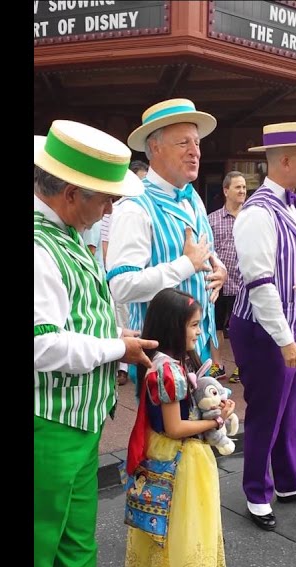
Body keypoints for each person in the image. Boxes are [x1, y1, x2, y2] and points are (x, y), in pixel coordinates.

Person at [34, 120, 157, 567]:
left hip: (76, 414)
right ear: (70, 193)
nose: (110, 208)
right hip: (47, 417)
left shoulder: (67, 238)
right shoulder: (39, 246)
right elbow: (41, 343)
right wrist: (119, 348)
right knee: (39, 529)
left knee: (76, 525)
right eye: (105, 198)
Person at [230, 121, 296, 531]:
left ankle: (292, 479)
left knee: (293, 408)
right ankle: (257, 492)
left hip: (292, 325)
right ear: (286, 160)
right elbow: (259, 285)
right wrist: (285, 340)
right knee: (266, 412)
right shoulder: (256, 214)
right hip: (263, 331)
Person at [123, 288, 235, 567]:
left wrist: (216, 408)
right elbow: (175, 427)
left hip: (174, 452)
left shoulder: (166, 363)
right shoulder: (168, 371)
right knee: (182, 530)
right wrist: (215, 422)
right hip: (180, 457)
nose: (200, 332)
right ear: (174, 327)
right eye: (195, 325)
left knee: (165, 529)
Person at [105, 98, 228, 381]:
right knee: (163, 428)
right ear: (155, 147)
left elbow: (203, 252)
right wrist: (186, 265)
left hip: (199, 349)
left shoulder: (193, 198)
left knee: (204, 424)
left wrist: (217, 269)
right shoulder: (134, 207)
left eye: (196, 143)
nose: (194, 152)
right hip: (159, 359)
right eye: (183, 143)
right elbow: (121, 287)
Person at [100, 160, 150, 385]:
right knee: (120, 315)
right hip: (118, 275)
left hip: (136, 278)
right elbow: (103, 244)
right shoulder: (124, 210)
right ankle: (122, 365)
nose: (109, 207)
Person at [207, 170, 247, 383]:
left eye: (243, 187)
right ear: (225, 190)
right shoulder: (211, 220)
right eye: (237, 187)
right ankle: (217, 365)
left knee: (241, 328)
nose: (242, 191)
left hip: (244, 283)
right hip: (219, 283)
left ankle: (242, 366)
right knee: (216, 326)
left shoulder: (252, 218)